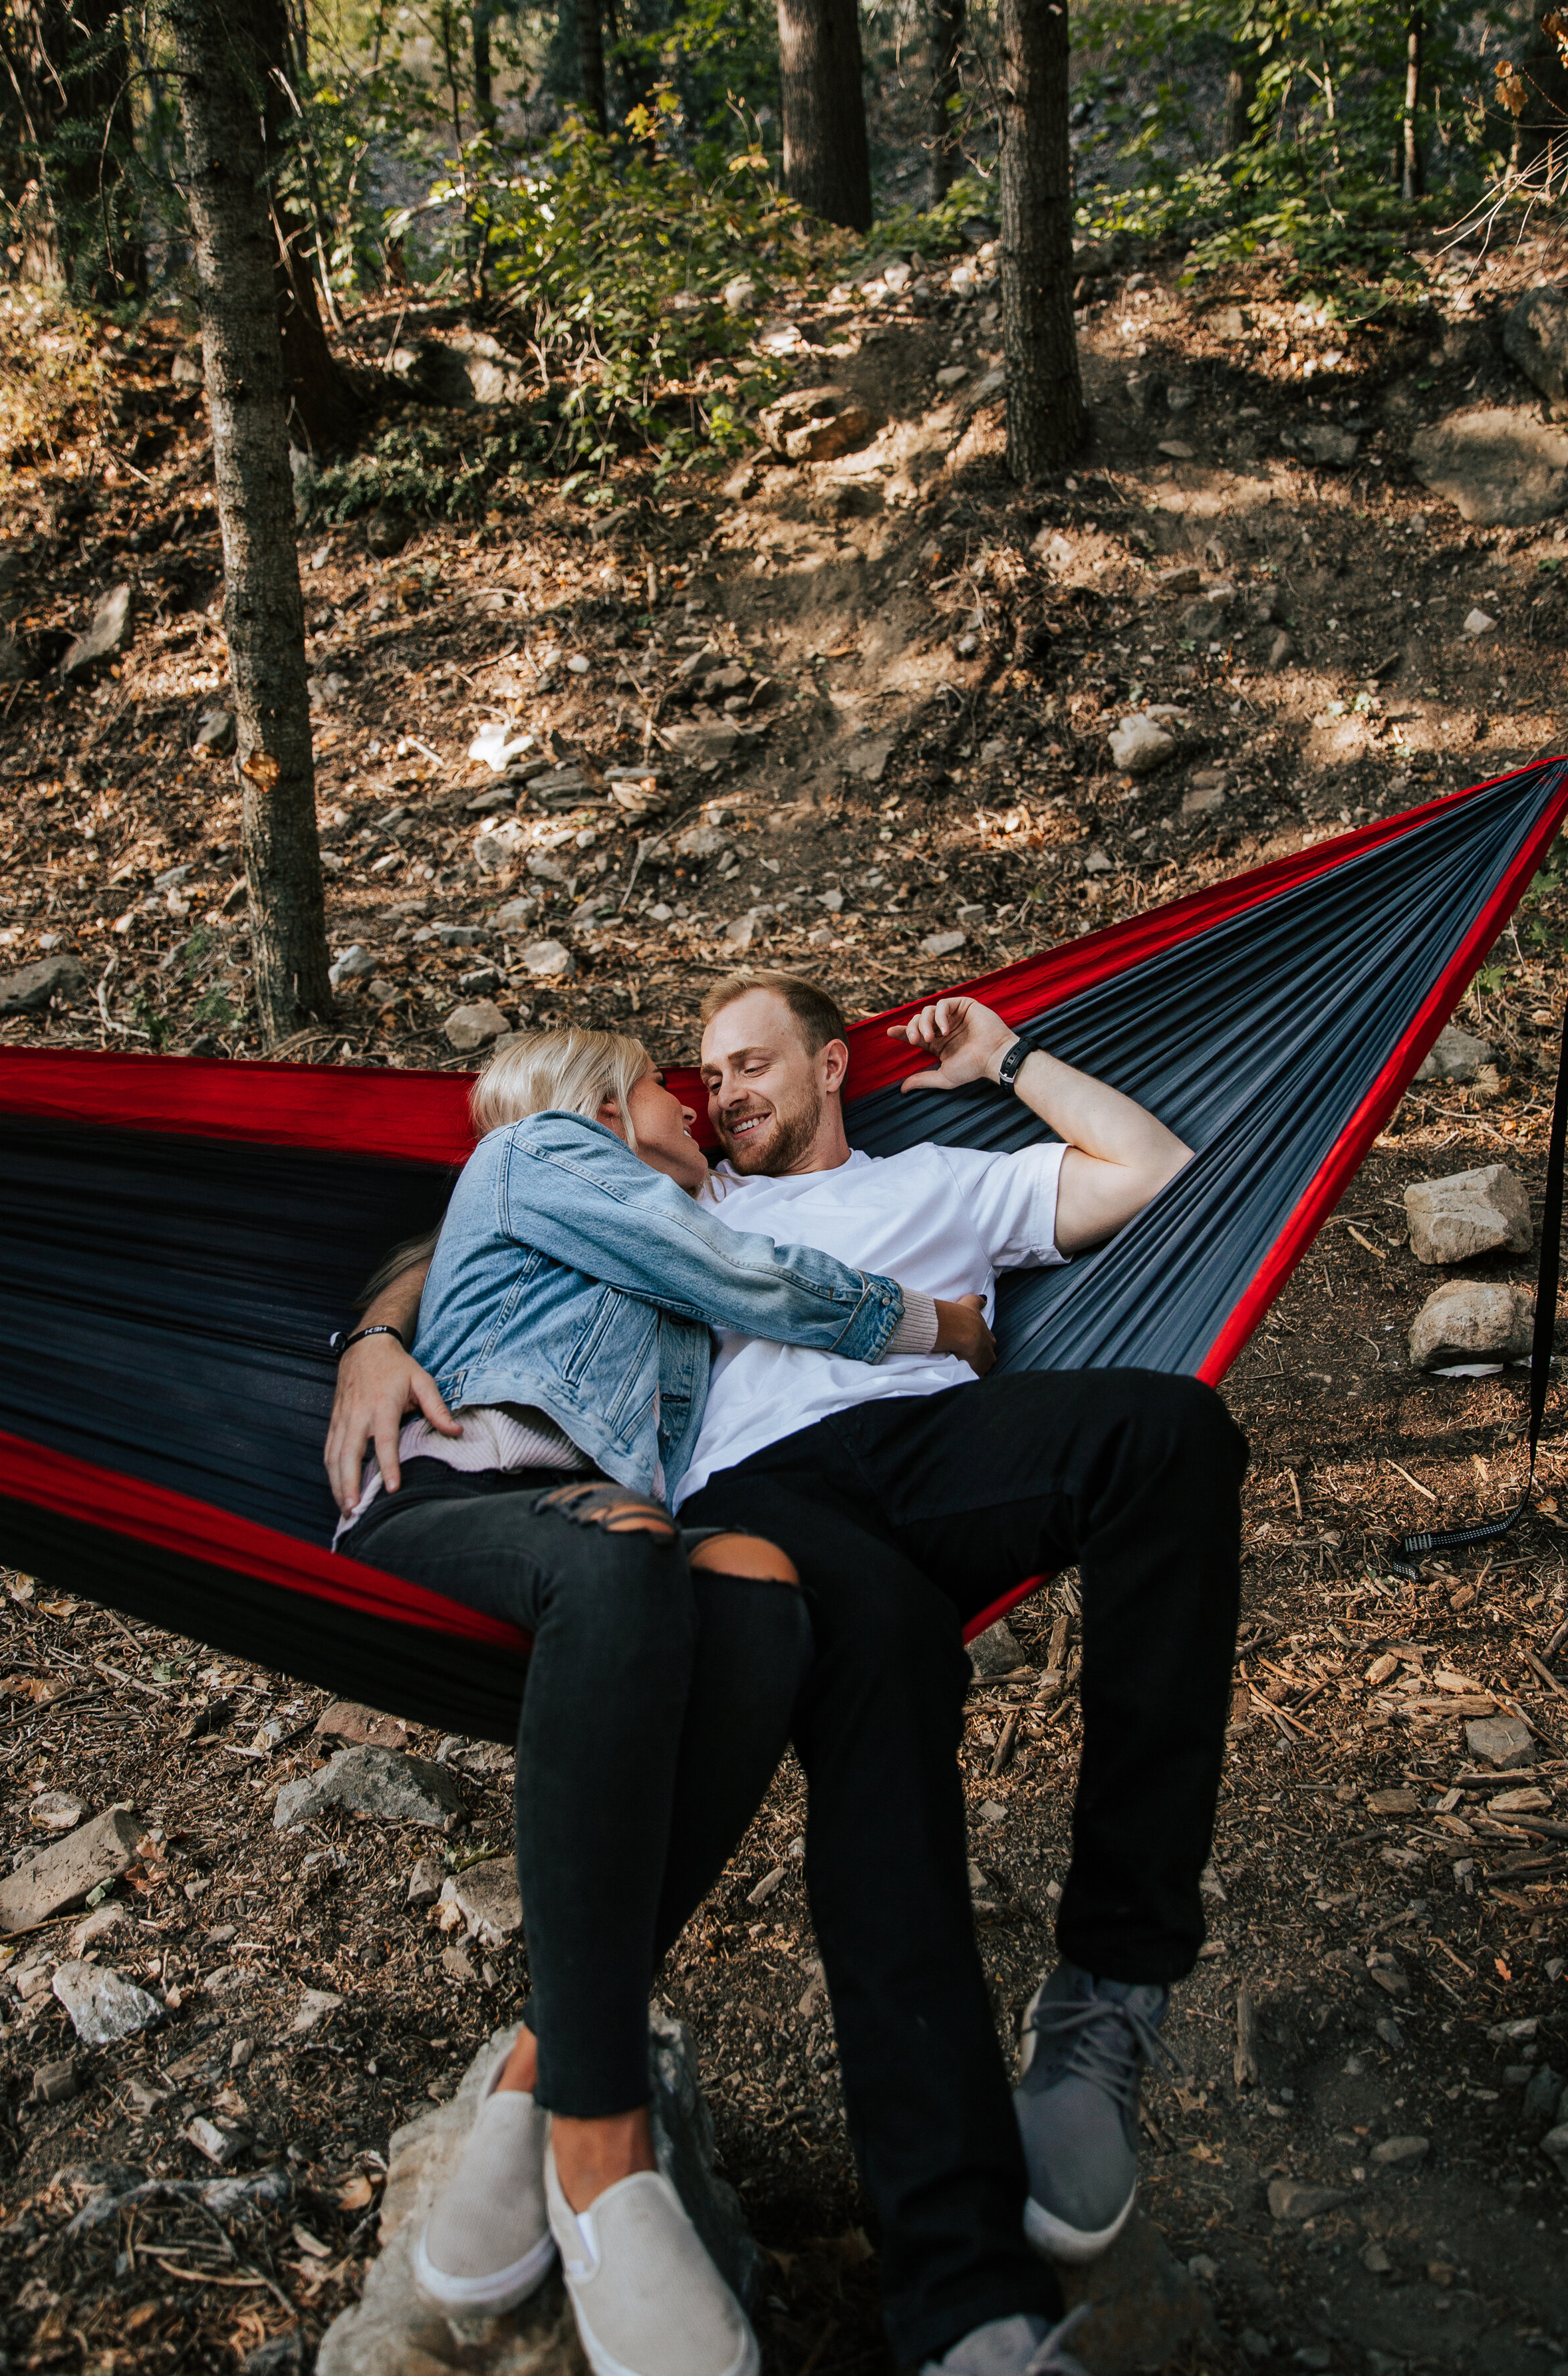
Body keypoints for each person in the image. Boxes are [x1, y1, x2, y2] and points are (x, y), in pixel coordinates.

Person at [332, 974, 1247, 2376]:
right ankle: (967, 2312)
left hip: (935, 1457)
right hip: (761, 1506)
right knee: (886, 1726)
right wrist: (376, 1336)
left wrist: (1010, 1058)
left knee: (1171, 1435)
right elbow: (455, 1223)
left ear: (835, 1067)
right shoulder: (678, 1204)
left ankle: (1107, 1993)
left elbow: (1152, 1170)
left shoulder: (940, 1184)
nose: (719, 1094)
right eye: (697, 1076)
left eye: (751, 1063)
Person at [330, 1025, 993, 2376]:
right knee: (629, 1552)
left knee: (757, 1593)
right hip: (452, 1495)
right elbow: (734, 1270)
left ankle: (535, 2068)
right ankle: (598, 2149)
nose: (690, 1107)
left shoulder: (622, 1202)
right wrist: (934, 1322)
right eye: (661, 1087)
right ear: (599, 1110)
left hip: (599, 1525)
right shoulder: (547, 1151)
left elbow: (461, 1259)